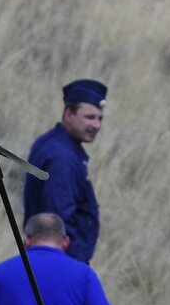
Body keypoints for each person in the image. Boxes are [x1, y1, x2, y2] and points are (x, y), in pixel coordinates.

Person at [23, 79, 107, 265]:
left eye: (100, 118)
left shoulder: (50, 143)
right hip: (60, 262)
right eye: (89, 117)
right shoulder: (62, 158)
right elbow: (58, 220)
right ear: (68, 114)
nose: (96, 125)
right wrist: (72, 267)